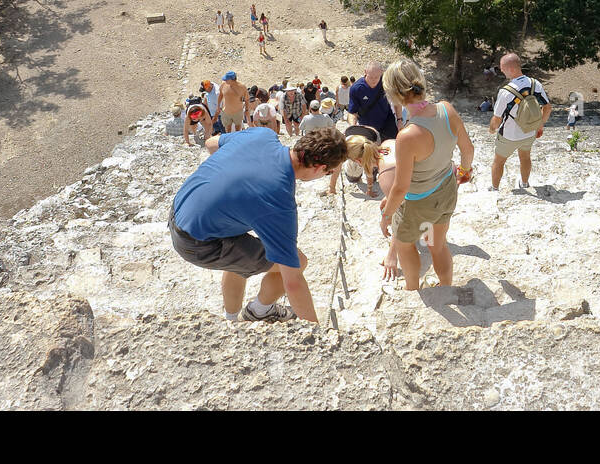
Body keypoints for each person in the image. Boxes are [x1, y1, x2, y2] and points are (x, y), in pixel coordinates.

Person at [169, 126, 347, 322]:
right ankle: (259, 311)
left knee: (239, 255)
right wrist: (318, 336)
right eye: (329, 172)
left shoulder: (262, 135)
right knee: (298, 261)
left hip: (179, 211)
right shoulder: (279, 202)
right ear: (319, 168)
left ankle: (231, 320)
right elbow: (293, 282)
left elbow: (211, 143)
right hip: (198, 244)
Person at [376, 60, 474, 290]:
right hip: (446, 189)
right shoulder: (446, 108)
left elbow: (400, 188)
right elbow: (468, 150)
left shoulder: (407, 136)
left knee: (404, 245)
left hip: (416, 203)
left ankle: (412, 289)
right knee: (437, 245)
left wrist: (386, 214)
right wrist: (464, 172)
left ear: (395, 95)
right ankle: (445, 286)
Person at [488, 53, 552, 189]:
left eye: (502, 68)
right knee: (525, 157)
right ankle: (524, 183)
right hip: (529, 132)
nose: (501, 71)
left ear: (511, 69)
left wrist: (492, 129)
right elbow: (547, 107)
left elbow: (497, 118)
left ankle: (494, 189)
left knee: (499, 161)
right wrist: (540, 125)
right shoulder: (536, 84)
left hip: (509, 135)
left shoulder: (505, 91)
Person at [347, 62, 401, 142]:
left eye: (376, 77)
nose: (373, 80)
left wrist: (399, 120)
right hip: (367, 126)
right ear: (365, 72)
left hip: (387, 121)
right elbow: (352, 112)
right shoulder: (357, 89)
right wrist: (353, 129)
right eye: (371, 77)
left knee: (390, 147)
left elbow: (397, 101)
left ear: (381, 73)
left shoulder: (386, 82)